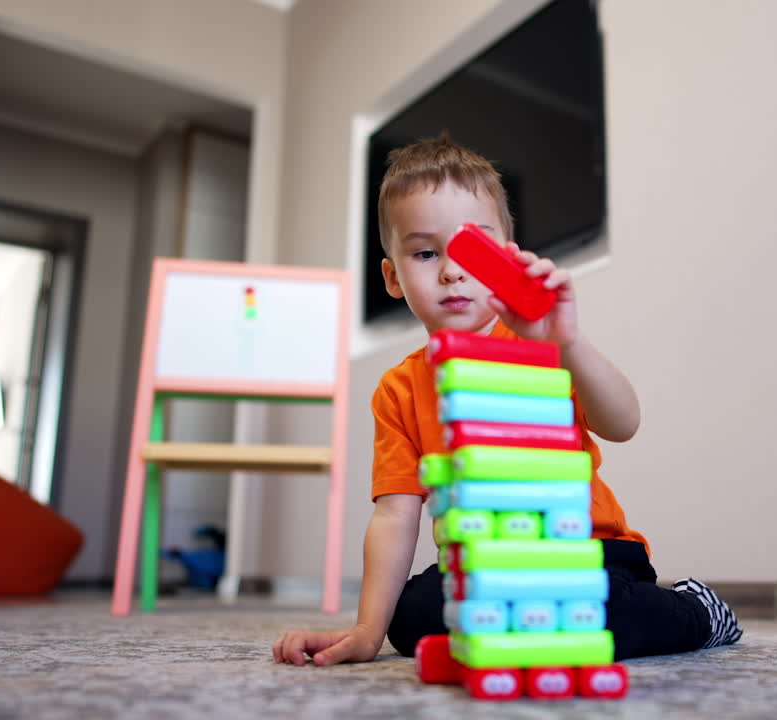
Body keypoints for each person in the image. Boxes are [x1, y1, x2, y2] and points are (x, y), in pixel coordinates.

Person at [272, 133, 741, 667]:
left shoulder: (542, 345)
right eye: (425, 253)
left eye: (473, 250)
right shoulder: (398, 391)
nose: (451, 270)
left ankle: (697, 610)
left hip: (588, 555)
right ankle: (518, 628)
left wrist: (568, 342)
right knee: (410, 615)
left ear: (509, 258)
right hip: (482, 566)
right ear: (393, 278)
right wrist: (366, 629)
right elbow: (394, 515)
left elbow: (623, 422)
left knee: (599, 610)